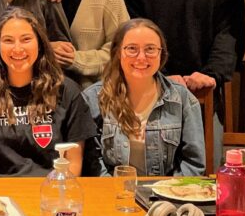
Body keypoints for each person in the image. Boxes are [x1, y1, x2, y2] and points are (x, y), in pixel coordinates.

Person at [121, 0, 245, 165]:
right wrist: (161, 76)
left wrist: (210, 74)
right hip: (147, 91)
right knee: (146, 171)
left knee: (202, 172)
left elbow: (229, 38)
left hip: (205, 94)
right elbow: (133, 42)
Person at [0, 7, 96, 177]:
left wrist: (54, 194)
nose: (18, 49)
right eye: (8, 40)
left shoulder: (66, 90)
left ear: (40, 43)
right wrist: (1, 201)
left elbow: (74, 163)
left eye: (26, 39)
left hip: (51, 192)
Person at [82, 19, 206, 176]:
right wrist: (117, 191)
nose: (141, 57)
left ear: (161, 54)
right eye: (132, 49)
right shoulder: (93, 98)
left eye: (150, 49)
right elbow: (92, 162)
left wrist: (167, 194)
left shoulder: (182, 99)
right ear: (118, 52)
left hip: (166, 195)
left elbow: (193, 164)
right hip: (113, 193)